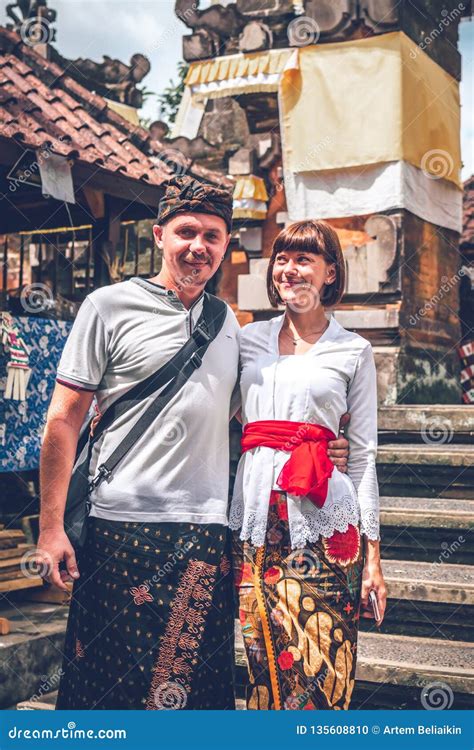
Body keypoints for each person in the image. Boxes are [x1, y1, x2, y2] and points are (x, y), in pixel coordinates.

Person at [37, 175, 350, 710]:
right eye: (186, 232)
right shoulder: (107, 306)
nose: (198, 246)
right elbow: (63, 422)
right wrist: (49, 528)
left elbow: (248, 408)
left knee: (192, 695)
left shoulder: (228, 323)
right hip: (119, 529)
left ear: (225, 246)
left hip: (205, 534)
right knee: (106, 691)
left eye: (212, 235)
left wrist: (317, 441)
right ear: (159, 235)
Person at [230, 219, 387, 711]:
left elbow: (361, 455)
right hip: (256, 519)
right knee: (263, 657)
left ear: (329, 273)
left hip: (326, 523)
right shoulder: (245, 340)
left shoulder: (354, 351)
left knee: (322, 664)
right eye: (282, 258)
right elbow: (217, 409)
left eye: (303, 259)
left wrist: (374, 560)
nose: (289, 269)